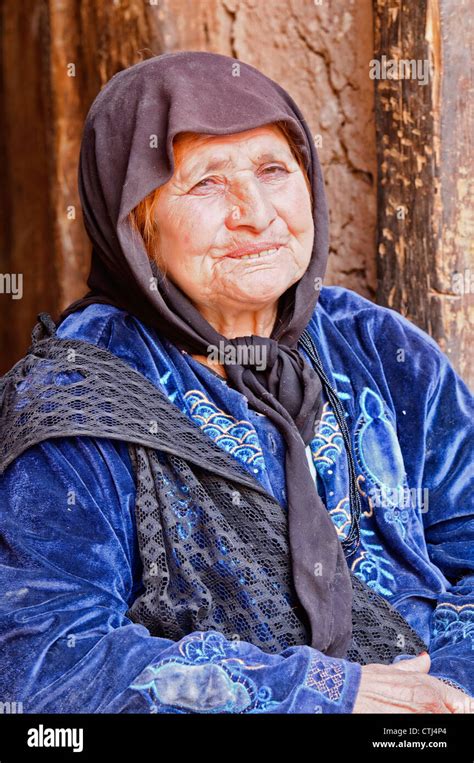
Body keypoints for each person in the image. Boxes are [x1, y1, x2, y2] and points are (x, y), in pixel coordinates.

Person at [0, 51, 472, 714]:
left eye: (274, 170)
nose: (254, 211)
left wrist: (449, 686)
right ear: (136, 223)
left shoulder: (376, 346)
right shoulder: (72, 394)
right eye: (206, 183)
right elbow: (47, 661)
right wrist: (317, 694)